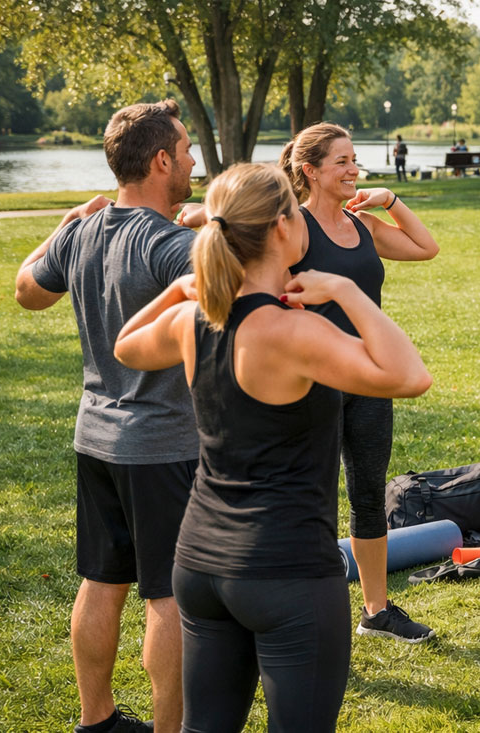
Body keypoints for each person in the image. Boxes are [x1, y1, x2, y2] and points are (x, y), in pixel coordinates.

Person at [113, 163, 433, 732]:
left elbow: (126, 347)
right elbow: (409, 375)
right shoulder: (294, 333)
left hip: (201, 565)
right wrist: (346, 291)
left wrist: (182, 289)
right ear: (284, 228)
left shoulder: (193, 320)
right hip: (285, 572)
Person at [14, 100, 198, 733]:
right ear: (161, 160)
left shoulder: (83, 232)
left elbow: (26, 291)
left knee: (100, 581)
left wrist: (66, 224)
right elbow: (234, 285)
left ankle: (97, 721)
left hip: (94, 437)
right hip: (163, 447)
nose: (195, 159)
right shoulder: (171, 243)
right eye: (187, 148)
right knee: (169, 599)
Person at [282, 122, 440, 644]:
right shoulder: (295, 230)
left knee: (369, 494)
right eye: (342, 162)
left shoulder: (364, 226)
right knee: (311, 500)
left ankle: (375, 612)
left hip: (371, 380)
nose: (354, 170)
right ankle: (305, 613)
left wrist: (390, 199)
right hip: (315, 382)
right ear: (310, 171)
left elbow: (426, 246)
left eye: (356, 160)